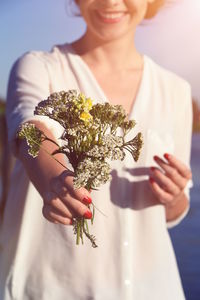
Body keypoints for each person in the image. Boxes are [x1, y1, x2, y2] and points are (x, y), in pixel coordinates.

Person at [0, 0, 193, 299]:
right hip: (51, 289)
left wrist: (174, 195)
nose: (111, 1)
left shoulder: (176, 90)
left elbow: (174, 212)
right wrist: (55, 179)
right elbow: (30, 128)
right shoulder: (40, 66)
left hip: (155, 289)